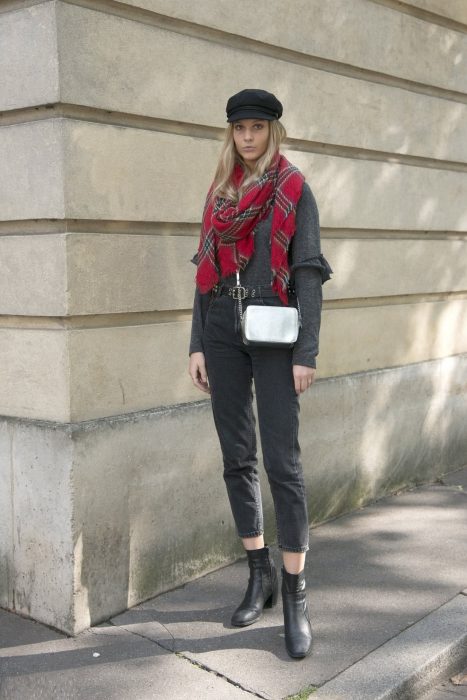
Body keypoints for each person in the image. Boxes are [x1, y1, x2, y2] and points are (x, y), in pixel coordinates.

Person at [188, 88, 332, 659]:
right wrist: (197, 342)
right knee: (236, 454)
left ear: (274, 131)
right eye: (239, 128)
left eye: (257, 127)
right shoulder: (220, 194)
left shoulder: (294, 189)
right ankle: (259, 574)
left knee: (282, 461)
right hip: (221, 323)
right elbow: (202, 269)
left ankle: (295, 593)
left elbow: (310, 273)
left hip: (274, 328)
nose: (247, 137)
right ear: (231, 133)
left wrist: (307, 352)